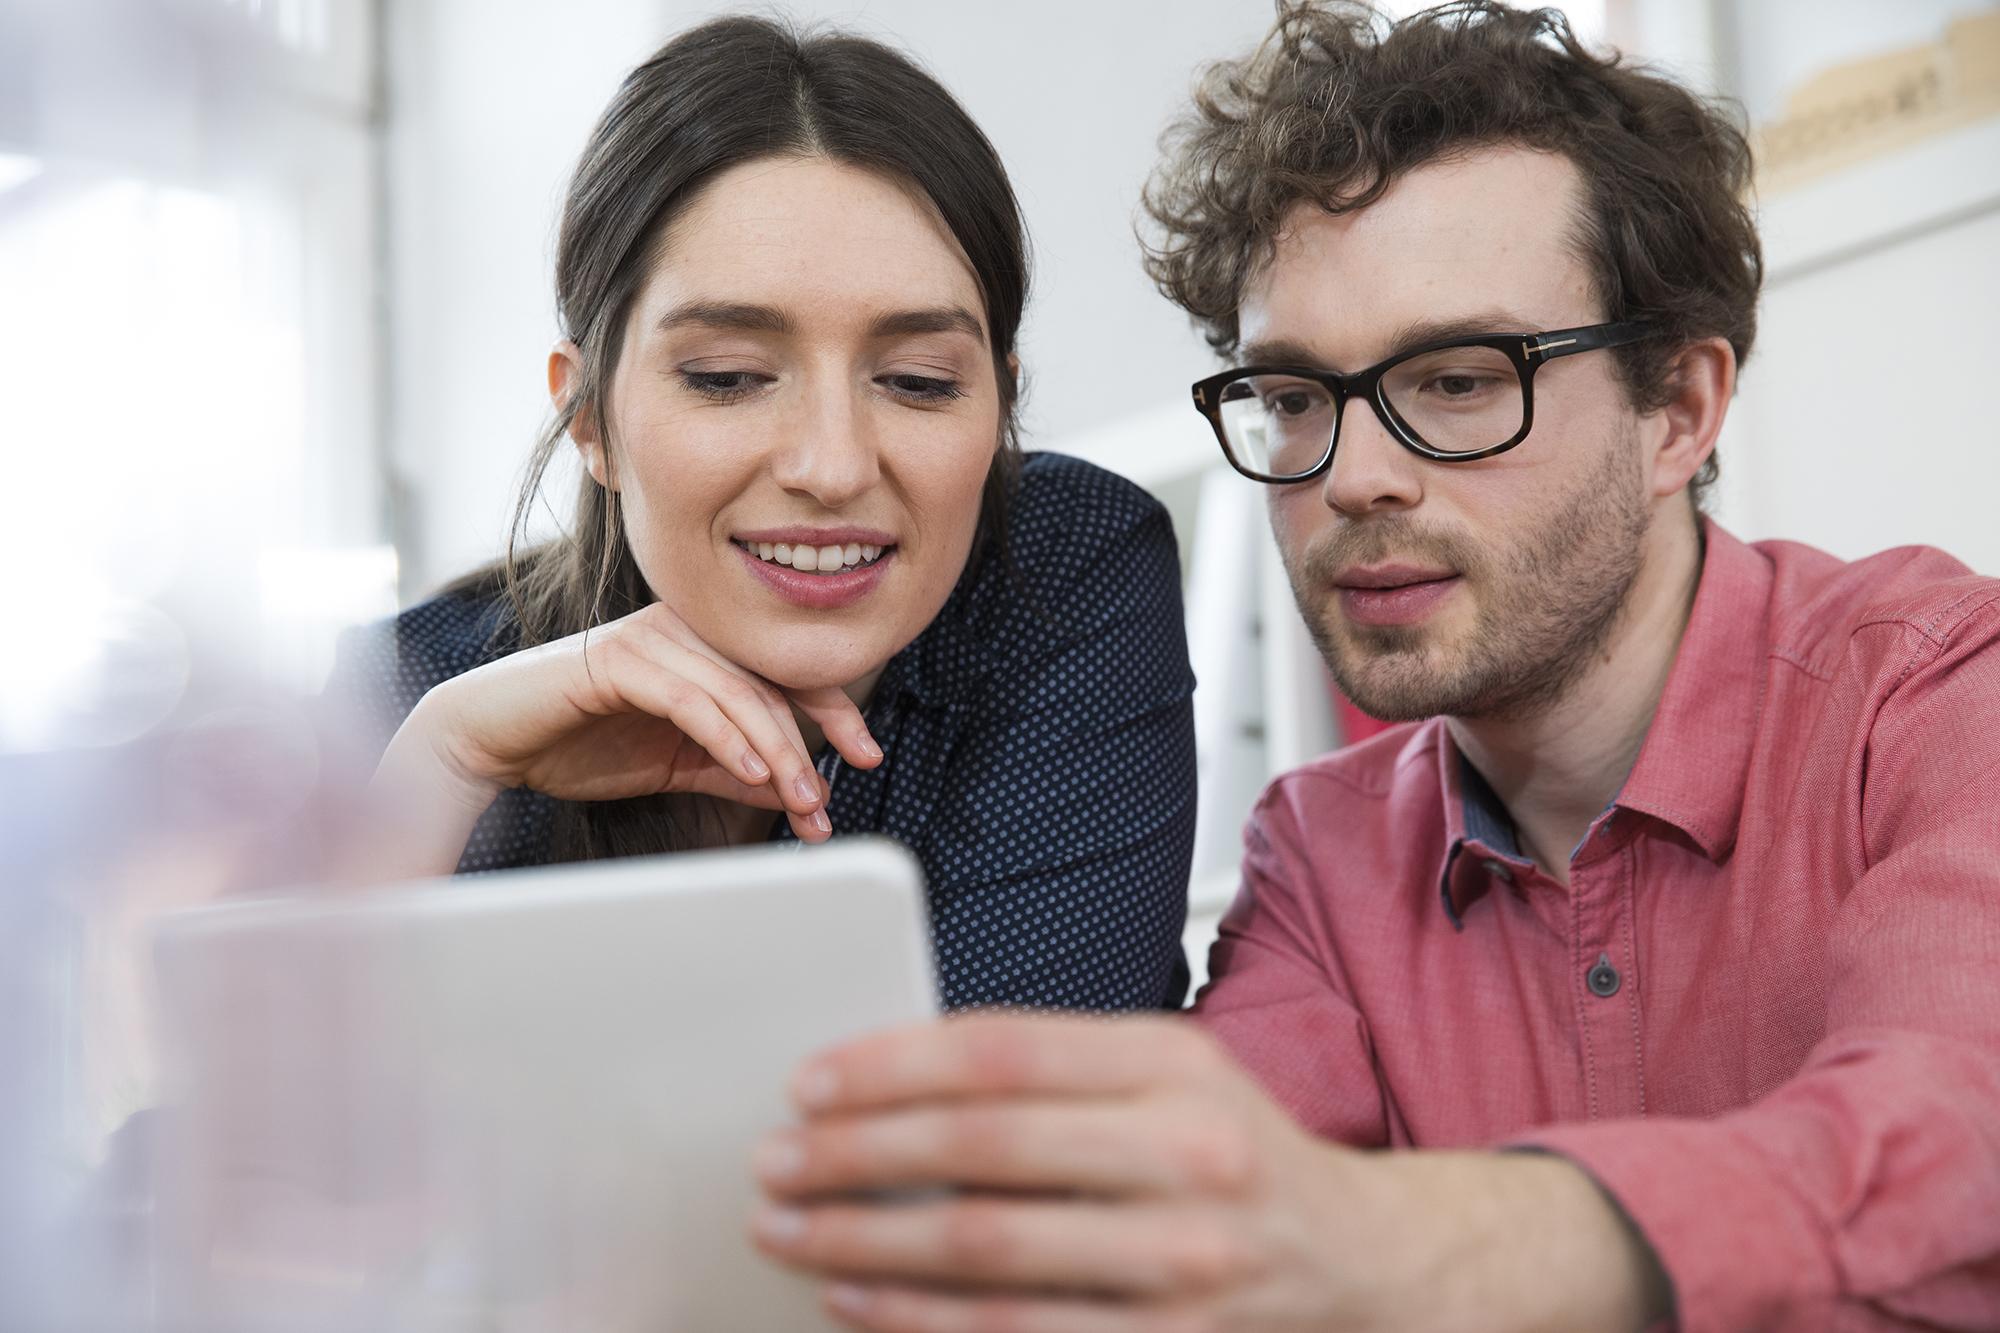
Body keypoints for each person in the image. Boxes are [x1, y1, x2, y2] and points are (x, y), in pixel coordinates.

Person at [749, 4, 2000, 1329]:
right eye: (1292, 400)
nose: (1352, 478)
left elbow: (1959, 1146)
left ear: (1679, 411)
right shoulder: (1321, 857)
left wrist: (1426, 1238)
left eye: (1459, 381)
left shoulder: (1937, 698)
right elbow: (1190, 1227)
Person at [332, 16, 1198, 1011]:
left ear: (997, 403)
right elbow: (245, 1145)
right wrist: (443, 762)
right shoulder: (408, 693)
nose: (831, 466)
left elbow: (1007, 1118)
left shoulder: (1062, 568)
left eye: (916, 382)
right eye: (728, 376)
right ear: (589, 417)